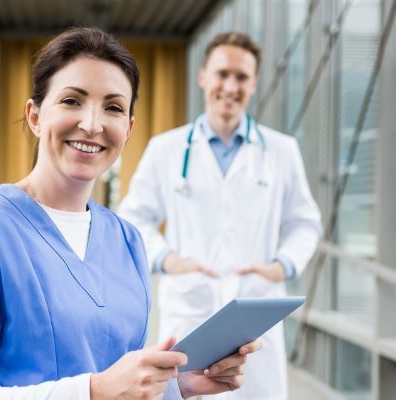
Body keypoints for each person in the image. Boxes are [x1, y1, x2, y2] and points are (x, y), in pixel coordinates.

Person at [0, 27, 261, 400]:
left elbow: (120, 384)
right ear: (34, 116)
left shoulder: (126, 239)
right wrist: (93, 391)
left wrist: (179, 386)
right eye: (71, 101)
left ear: (128, 129)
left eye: (113, 107)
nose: (93, 124)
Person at [118, 31, 322, 400]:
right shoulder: (167, 148)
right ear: (203, 77)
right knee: (185, 389)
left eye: (241, 77)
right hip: (191, 305)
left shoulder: (281, 151)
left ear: (254, 84)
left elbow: (305, 222)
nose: (230, 86)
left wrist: (282, 266)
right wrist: (168, 259)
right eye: (222, 74)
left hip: (255, 308)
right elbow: (134, 217)